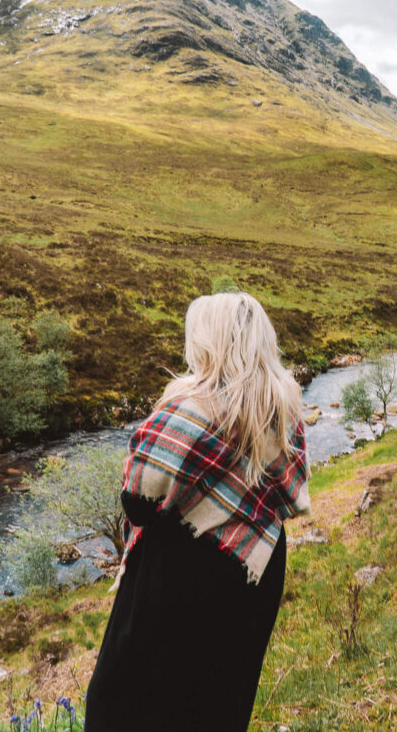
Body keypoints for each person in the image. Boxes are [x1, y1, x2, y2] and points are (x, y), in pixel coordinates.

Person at [85, 291, 311, 731]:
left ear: (208, 342)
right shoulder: (284, 411)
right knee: (220, 698)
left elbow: (136, 499)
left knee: (122, 700)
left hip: (177, 573)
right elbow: (290, 495)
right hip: (255, 565)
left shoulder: (187, 410)